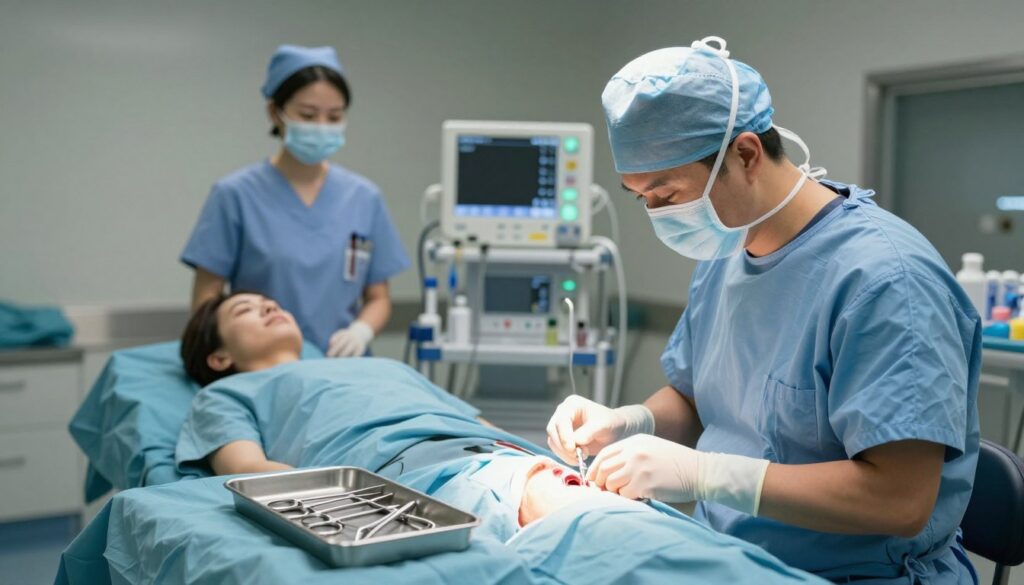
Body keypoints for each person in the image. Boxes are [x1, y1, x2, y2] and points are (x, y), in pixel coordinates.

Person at [545, 37, 980, 584]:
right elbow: (698, 396)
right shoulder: (729, 250)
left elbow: (900, 499)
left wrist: (702, 474)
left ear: (746, 154)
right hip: (729, 560)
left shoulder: (885, 280)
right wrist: (628, 422)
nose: (657, 215)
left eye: (667, 193)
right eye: (641, 198)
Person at [181, 44, 409, 357]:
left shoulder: (364, 198)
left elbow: (378, 297)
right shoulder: (234, 195)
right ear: (275, 112)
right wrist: (229, 354)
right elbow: (207, 301)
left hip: (342, 368)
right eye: (308, 115)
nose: (321, 126)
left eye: (335, 116)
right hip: (263, 370)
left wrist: (360, 332)